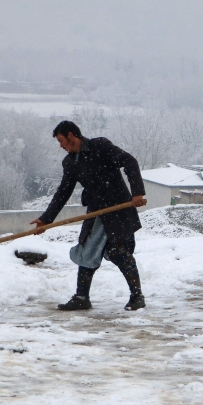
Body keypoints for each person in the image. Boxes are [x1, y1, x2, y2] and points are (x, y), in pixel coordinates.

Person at [30, 120, 148, 311]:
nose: (60, 145)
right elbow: (63, 191)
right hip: (95, 213)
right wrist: (46, 219)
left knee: (120, 253)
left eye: (61, 140)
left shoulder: (100, 146)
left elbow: (129, 162)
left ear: (71, 135)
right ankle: (81, 297)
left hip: (118, 210)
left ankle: (137, 296)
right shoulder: (70, 162)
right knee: (87, 251)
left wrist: (137, 193)